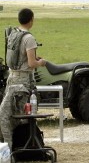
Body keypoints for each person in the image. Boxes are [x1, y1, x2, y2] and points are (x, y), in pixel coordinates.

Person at [0, 8, 47, 150]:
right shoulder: (29, 38)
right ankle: (21, 146)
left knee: (9, 113)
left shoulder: (14, 34)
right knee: (22, 116)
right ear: (31, 20)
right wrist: (41, 62)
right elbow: (32, 64)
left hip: (12, 77)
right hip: (23, 80)